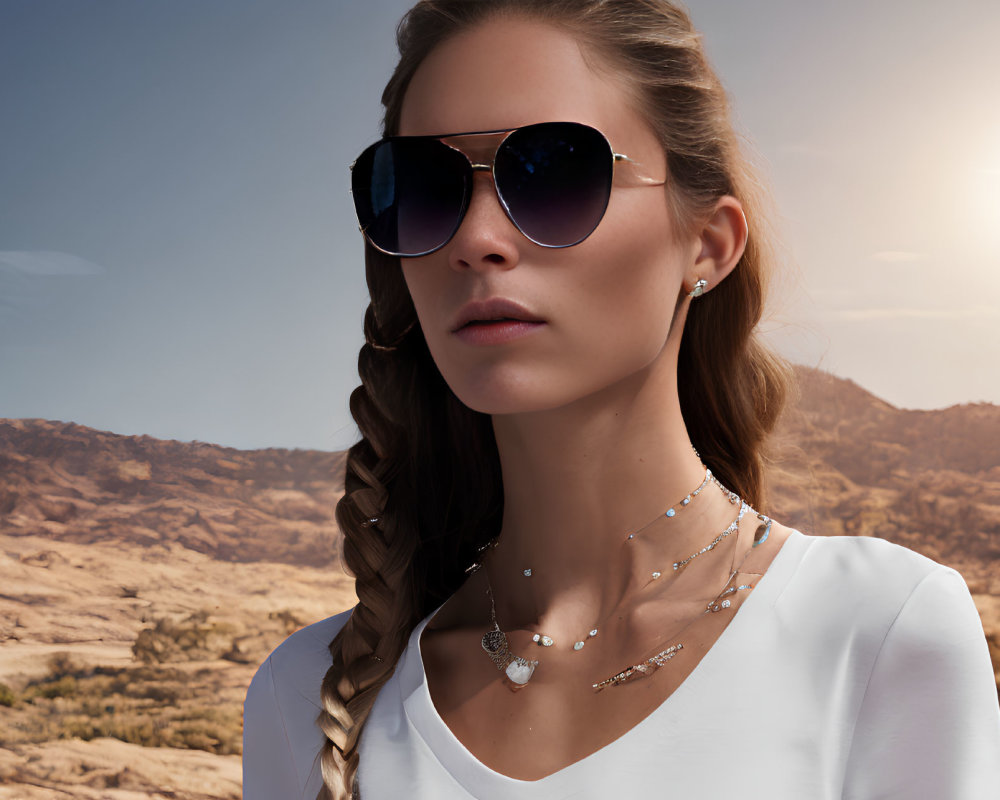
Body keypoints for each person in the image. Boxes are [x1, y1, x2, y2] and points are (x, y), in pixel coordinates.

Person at [242, 1, 1000, 798]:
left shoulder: (878, 634)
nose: (475, 239)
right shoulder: (309, 699)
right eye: (425, 188)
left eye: (552, 173)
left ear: (707, 244)